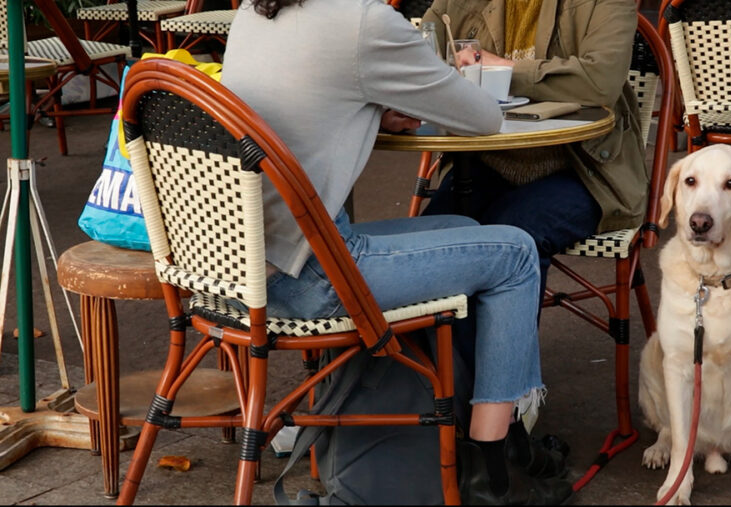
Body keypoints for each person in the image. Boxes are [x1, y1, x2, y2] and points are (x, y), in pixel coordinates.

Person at [221, 0, 571, 504]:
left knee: (463, 227)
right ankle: (495, 474)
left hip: (237, 272)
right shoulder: (364, 22)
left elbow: (316, 98)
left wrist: (371, 107)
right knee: (514, 253)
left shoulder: (254, 15)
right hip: (315, 276)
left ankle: (466, 439)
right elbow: (481, 117)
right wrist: (384, 98)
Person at [421, 0, 648, 300]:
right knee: (429, 242)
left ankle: (485, 348)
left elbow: (600, 80)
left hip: (584, 169)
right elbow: (418, 54)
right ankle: (433, 346)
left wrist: (504, 70)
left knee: (511, 236)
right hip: (485, 159)